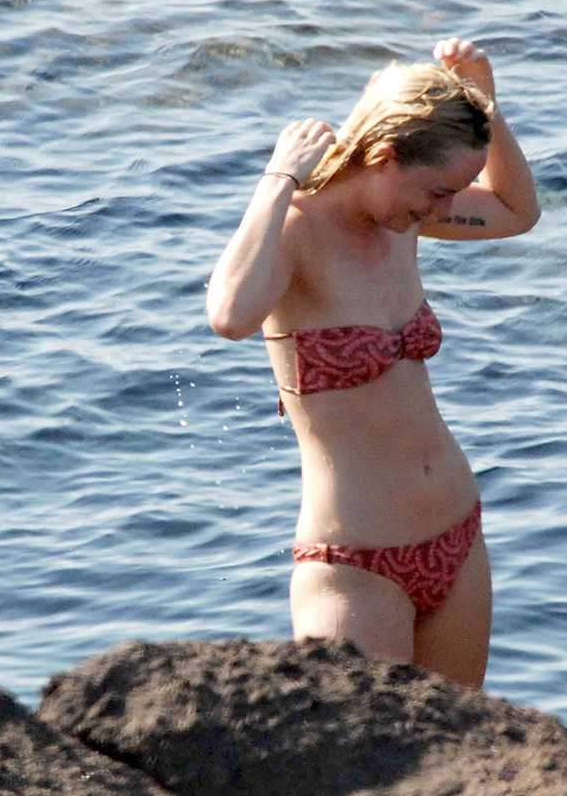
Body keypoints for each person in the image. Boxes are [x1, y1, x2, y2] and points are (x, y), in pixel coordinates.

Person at [206, 38, 539, 688]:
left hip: (458, 536)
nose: (447, 210)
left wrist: (485, 106)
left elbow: (514, 211)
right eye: (439, 191)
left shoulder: (404, 221)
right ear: (384, 156)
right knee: (360, 751)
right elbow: (229, 315)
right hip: (354, 566)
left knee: (465, 743)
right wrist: (278, 179)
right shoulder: (295, 232)